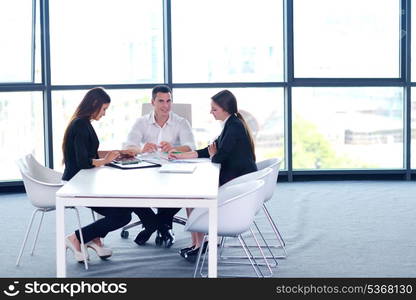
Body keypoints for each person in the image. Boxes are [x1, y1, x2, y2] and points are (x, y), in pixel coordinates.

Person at [169, 89, 257, 262]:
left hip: (238, 186)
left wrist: (213, 154)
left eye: (214, 109)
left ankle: (199, 244)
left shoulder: (234, 127)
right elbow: (209, 150)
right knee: (191, 197)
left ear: (225, 109)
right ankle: (197, 244)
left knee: (193, 197)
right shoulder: (231, 124)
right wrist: (180, 155)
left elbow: (218, 156)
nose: (211, 112)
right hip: (236, 180)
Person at [62, 87, 133, 262]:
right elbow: (83, 161)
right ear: (94, 104)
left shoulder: (84, 123)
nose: (104, 113)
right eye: (104, 109)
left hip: (84, 180)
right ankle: (76, 238)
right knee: (122, 215)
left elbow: (90, 153)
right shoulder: (80, 124)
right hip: (77, 184)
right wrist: (106, 160)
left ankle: (94, 238)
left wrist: (118, 153)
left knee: (123, 209)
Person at [122, 85, 196, 248]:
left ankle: (153, 226)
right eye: (161, 101)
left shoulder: (180, 122)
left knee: (181, 192)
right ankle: (162, 226)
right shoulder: (141, 122)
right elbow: (128, 146)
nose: (166, 105)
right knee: (130, 191)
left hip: (173, 169)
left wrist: (175, 148)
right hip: (146, 169)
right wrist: (141, 149)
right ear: (152, 102)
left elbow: (191, 146)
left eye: (169, 101)